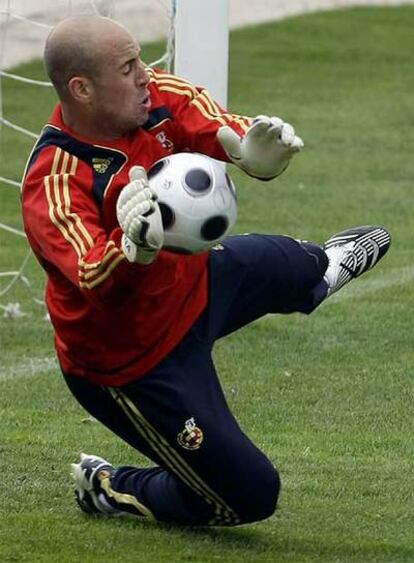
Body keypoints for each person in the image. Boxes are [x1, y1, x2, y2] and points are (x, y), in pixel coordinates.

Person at [21, 15, 391, 527]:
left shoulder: (155, 98)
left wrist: (252, 152)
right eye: (128, 69)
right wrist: (135, 247)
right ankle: (114, 486)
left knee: (298, 262)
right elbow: (92, 277)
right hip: (134, 363)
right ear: (81, 89)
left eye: (141, 61)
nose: (145, 77)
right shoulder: (53, 181)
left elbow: (212, 123)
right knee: (249, 494)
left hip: (196, 283)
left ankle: (319, 275)